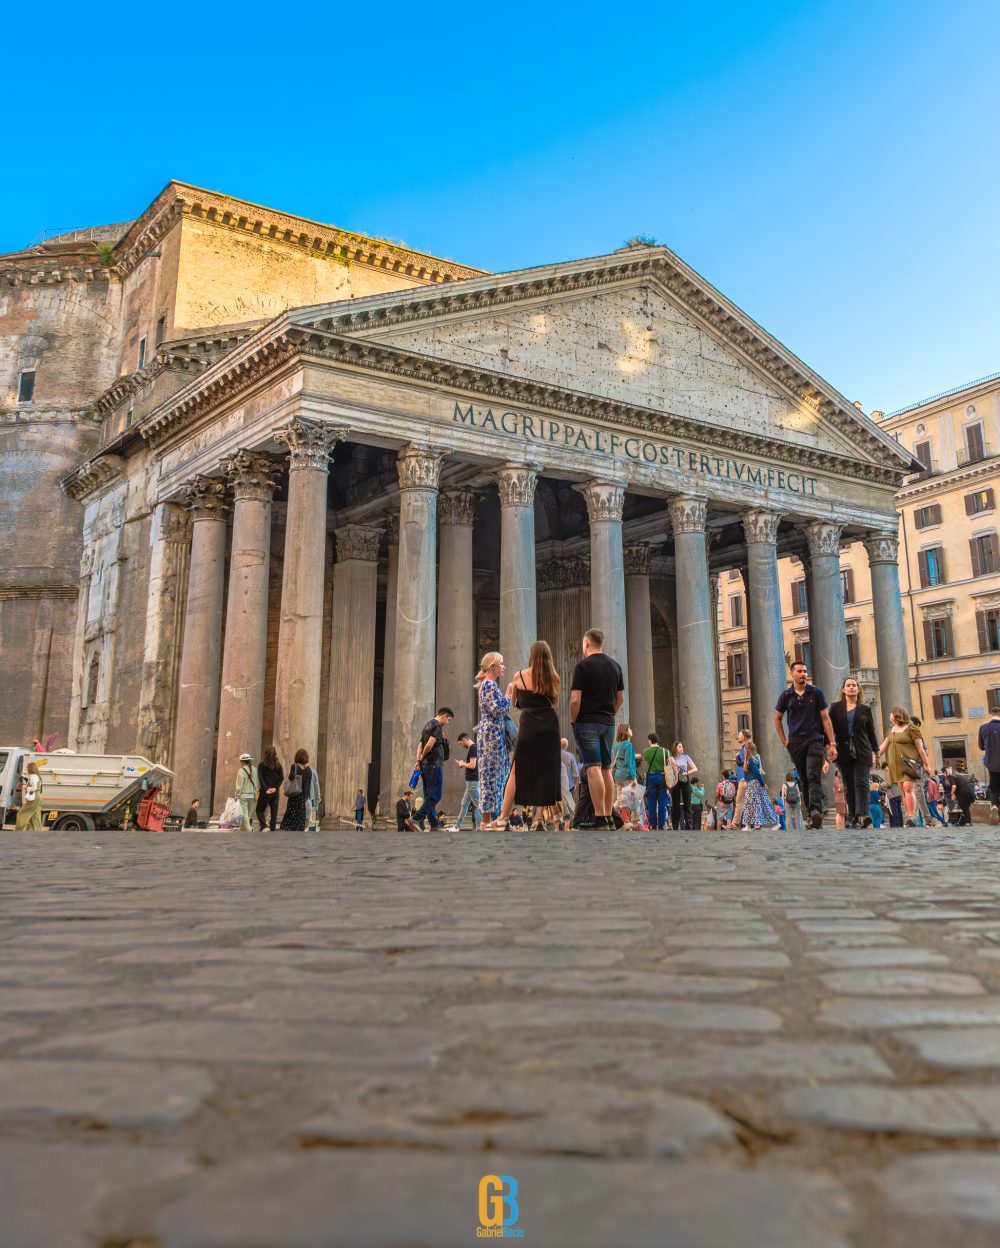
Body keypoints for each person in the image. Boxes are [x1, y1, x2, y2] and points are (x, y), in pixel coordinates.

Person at [488, 640, 561, 830]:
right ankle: (538, 820)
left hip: (529, 724)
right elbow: (554, 704)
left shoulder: (519, 676)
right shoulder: (554, 677)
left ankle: (503, 817)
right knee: (545, 772)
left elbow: (514, 703)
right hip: (549, 726)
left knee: (516, 771)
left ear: (532, 655)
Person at [569, 628, 625, 830]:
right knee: (605, 768)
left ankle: (600, 817)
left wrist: (574, 720)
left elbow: (575, 699)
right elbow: (620, 698)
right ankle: (609, 815)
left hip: (587, 722)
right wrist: (610, 714)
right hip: (608, 723)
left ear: (586, 643)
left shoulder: (583, 666)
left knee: (592, 767)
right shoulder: (615, 666)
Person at [774, 661, 837, 829]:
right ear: (792, 674)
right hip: (795, 743)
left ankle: (816, 811)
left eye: (805, 671)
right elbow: (777, 718)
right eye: (800, 671)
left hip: (815, 740)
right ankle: (811, 815)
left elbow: (825, 718)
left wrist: (832, 743)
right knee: (804, 779)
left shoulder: (816, 693)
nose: (803, 674)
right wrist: (784, 741)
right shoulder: (786, 696)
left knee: (813, 775)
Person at [828, 677, 879, 828]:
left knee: (861, 782)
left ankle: (862, 814)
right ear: (843, 690)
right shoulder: (835, 708)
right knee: (849, 784)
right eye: (848, 685)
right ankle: (852, 816)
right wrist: (829, 747)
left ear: (858, 690)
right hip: (843, 751)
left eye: (854, 685)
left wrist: (876, 752)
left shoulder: (865, 709)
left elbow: (871, 733)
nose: (851, 688)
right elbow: (830, 731)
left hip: (862, 750)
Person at [878, 708, 932, 827]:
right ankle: (908, 815)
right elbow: (883, 746)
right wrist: (876, 757)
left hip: (909, 764)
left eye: (890, 714)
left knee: (908, 788)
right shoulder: (891, 730)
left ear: (897, 715)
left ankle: (912, 816)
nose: (889, 716)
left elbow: (920, 748)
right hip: (895, 765)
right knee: (903, 790)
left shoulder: (911, 728)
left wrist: (927, 764)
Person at [475, 653, 511, 823]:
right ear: (492, 667)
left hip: (491, 733)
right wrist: (509, 695)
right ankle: (486, 820)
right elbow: (498, 711)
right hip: (491, 735)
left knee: (494, 773)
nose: (503, 667)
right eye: (501, 664)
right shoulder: (489, 685)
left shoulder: (487, 685)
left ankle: (489, 819)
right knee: (491, 775)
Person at [413, 706, 454, 830]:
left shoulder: (428, 725)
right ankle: (415, 818)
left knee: (428, 796)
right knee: (435, 796)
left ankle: (434, 824)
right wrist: (421, 757)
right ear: (444, 716)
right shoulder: (437, 726)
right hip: (433, 764)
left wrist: (418, 760)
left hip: (425, 765)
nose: (447, 723)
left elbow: (420, 745)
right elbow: (429, 745)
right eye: (449, 720)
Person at [740, 739, 781, 829]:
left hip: (754, 785)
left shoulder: (751, 760)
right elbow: (748, 773)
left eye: (745, 749)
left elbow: (757, 773)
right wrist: (746, 781)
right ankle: (754, 824)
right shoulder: (752, 759)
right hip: (753, 784)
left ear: (748, 750)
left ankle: (751, 825)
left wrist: (763, 784)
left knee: (751, 804)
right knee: (758, 804)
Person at [446, 732, 481, 831]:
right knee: (464, 803)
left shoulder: (473, 748)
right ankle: (457, 826)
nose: (461, 746)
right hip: (470, 781)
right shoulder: (473, 748)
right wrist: (463, 764)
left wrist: (462, 763)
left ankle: (489, 823)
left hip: (472, 782)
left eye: (461, 744)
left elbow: (472, 765)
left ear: (464, 740)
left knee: (479, 805)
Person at [642, 733, 674, 831]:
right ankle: (661, 824)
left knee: (651, 801)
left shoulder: (646, 751)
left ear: (649, 741)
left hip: (651, 776)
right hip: (662, 776)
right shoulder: (665, 751)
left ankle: (652, 824)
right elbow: (673, 763)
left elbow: (645, 761)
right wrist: (675, 777)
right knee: (662, 802)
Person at [280, 748, 315, 831]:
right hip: (303, 797)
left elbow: (291, 777)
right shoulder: (309, 770)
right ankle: (299, 831)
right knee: (300, 817)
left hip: (295, 795)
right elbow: (308, 784)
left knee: (291, 815)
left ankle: (289, 830)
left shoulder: (294, 766)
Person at [670, 741, 697, 830]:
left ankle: (689, 826)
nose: (682, 748)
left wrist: (686, 773)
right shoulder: (671, 758)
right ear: (675, 748)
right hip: (675, 780)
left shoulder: (686, 757)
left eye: (682, 746)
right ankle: (675, 826)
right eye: (680, 747)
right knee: (675, 804)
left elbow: (695, 769)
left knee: (687, 803)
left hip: (685, 780)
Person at [255, 746, 283, 832]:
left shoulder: (262, 765)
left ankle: (264, 826)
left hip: (265, 792)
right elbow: (281, 778)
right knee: (274, 813)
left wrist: (267, 789)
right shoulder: (278, 765)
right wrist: (275, 788)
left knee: (259, 810)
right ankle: (273, 829)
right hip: (275, 793)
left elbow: (261, 778)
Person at [979, 704, 1000, 813]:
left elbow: (981, 746)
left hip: (992, 764)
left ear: (991, 714)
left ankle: (995, 806)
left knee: (994, 788)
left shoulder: (983, 728)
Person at [15, 762, 43, 830]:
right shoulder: (36, 776)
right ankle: (37, 832)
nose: (27, 769)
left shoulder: (33, 776)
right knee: (35, 816)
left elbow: (34, 788)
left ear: (30, 768)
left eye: (27, 768)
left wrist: (25, 788)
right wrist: (24, 777)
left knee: (21, 813)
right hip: (38, 796)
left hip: (34, 796)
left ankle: (18, 831)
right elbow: (31, 782)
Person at [612, 724, 637, 799]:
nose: (631, 730)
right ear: (625, 731)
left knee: (620, 799)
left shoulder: (616, 746)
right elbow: (628, 762)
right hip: (627, 776)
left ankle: (612, 810)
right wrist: (633, 777)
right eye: (629, 729)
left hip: (618, 776)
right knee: (631, 800)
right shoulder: (628, 745)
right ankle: (612, 810)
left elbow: (618, 760)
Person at [235, 753, 258, 832]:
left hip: (243, 795)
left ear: (242, 761)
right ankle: (242, 828)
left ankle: (248, 828)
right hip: (252, 795)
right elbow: (257, 783)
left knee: (244, 813)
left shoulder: (241, 771)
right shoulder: (255, 769)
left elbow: (239, 786)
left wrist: (237, 795)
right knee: (248, 814)